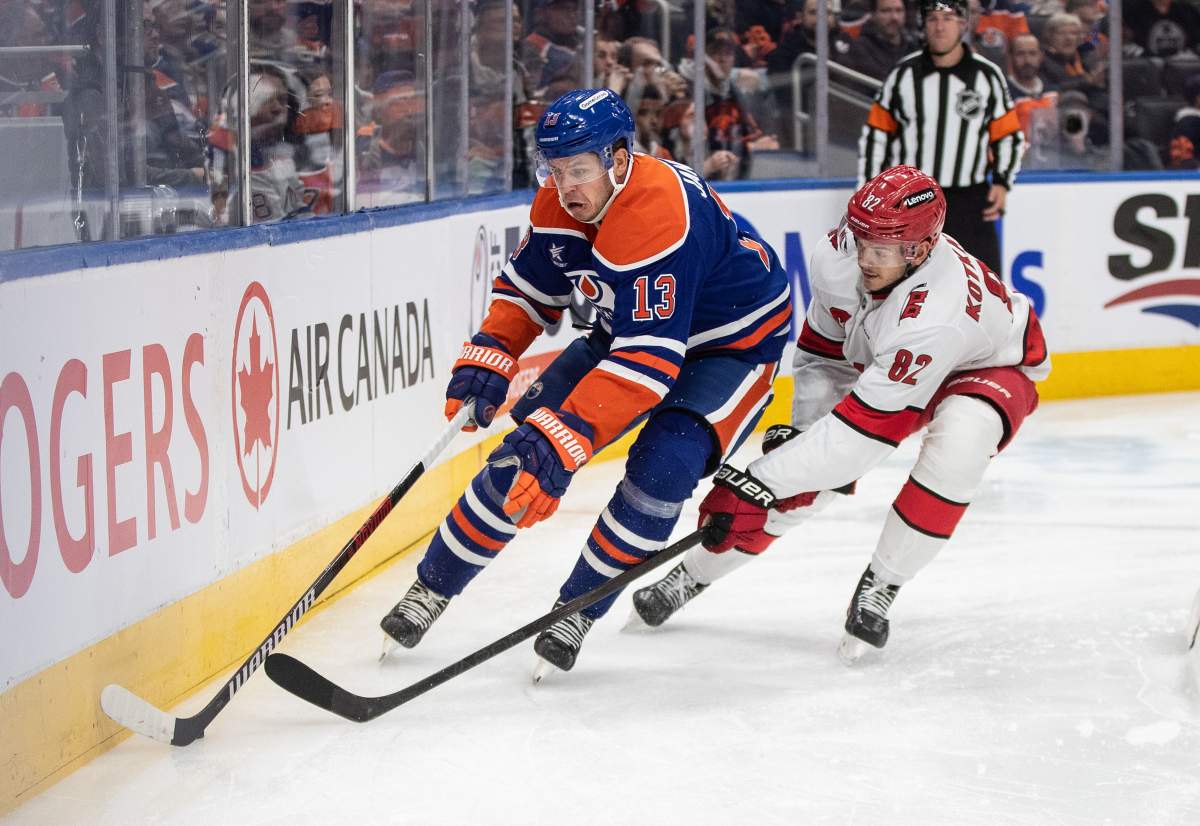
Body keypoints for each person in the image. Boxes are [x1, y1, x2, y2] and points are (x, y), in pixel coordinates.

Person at [379, 88, 793, 677]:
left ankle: (577, 608)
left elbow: (650, 365)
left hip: (732, 345)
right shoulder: (559, 203)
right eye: (554, 169)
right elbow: (529, 289)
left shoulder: (658, 214)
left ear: (619, 160)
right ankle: (431, 589)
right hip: (629, 332)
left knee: (665, 467)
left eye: (579, 169)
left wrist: (565, 436)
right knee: (522, 458)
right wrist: (494, 350)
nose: (565, 185)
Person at [632, 166, 1050, 661]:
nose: (865, 258)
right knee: (804, 479)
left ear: (918, 250)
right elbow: (824, 355)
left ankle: (883, 584)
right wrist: (798, 443)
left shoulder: (938, 312)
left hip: (987, 366)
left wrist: (759, 478)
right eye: (861, 240)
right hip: (895, 360)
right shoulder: (839, 254)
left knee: (959, 446)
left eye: (882, 249)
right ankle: (691, 575)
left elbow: (859, 442)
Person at [858, 0, 1024, 277]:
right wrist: (869, 191)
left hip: (970, 200)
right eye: (932, 18)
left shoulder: (986, 76)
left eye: (947, 18)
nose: (939, 26)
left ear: (963, 23)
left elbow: (1008, 135)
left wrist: (1004, 182)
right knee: (909, 286)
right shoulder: (903, 75)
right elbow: (877, 135)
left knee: (985, 287)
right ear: (924, 24)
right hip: (913, 202)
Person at [841, 0, 919, 82]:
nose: (894, 17)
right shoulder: (859, 48)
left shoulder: (913, 47)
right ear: (873, 15)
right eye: (886, 11)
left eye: (899, 10)